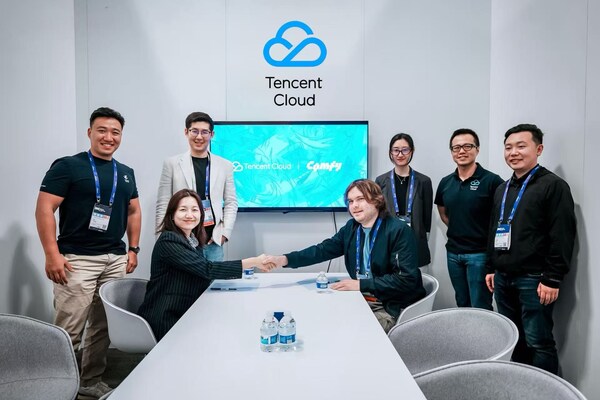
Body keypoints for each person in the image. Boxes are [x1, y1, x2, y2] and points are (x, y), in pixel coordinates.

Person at [35, 107, 141, 399]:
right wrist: (52, 254)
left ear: (121, 136)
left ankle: (89, 382)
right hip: (76, 260)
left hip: (115, 259)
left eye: (115, 132)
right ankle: (54, 387)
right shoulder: (68, 166)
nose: (109, 137)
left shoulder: (126, 173)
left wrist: (133, 249)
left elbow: (134, 211)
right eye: (102, 130)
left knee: (103, 327)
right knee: (69, 328)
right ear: (90, 132)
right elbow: (45, 208)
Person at [265, 179, 425, 333]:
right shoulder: (352, 228)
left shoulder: (398, 230)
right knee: (318, 317)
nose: (354, 206)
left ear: (377, 200)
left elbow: (406, 280)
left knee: (347, 333)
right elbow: (322, 250)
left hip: (389, 306)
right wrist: (284, 259)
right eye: (350, 201)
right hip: (362, 297)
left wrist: (361, 285)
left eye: (360, 199)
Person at [485, 124, 576, 374]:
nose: (513, 152)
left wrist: (552, 278)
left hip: (534, 280)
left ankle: (545, 390)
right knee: (513, 338)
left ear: (539, 149)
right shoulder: (503, 189)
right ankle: (520, 384)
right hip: (503, 278)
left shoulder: (553, 186)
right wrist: (491, 267)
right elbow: (494, 230)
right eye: (508, 147)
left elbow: (562, 235)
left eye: (521, 146)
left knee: (539, 341)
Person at [139, 189, 271, 341]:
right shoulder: (169, 240)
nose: (189, 215)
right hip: (167, 317)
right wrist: (253, 262)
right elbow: (207, 269)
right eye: (183, 210)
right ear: (171, 215)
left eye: (195, 210)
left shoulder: (192, 240)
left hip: (186, 312)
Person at [435, 128, 504, 309]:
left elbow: (501, 217)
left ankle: (484, 331)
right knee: (462, 303)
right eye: (456, 148)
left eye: (467, 146)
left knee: (480, 306)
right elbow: (443, 212)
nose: (461, 151)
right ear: (451, 152)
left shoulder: (492, 181)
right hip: (453, 254)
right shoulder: (446, 182)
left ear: (477, 149)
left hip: (480, 255)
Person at [156, 111, 237, 261]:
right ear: (186, 132)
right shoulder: (172, 164)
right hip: (181, 240)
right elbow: (163, 203)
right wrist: (162, 238)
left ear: (212, 134)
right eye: (194, 131)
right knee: (182, 277)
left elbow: (231, 202)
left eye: (204, 132)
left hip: (213, 242)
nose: (199, 137)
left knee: (214, 277)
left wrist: (225, 233)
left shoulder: (225, 165)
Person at [375, 133, 433, 268]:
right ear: (390, 152)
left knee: (415, 277)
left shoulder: (424, 181)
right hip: (389, 240)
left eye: (405, 150)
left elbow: (427, 216)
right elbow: (378, 213)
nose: (400, 154)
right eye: (396, 150)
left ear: (411, 151)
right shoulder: (380, 181)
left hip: (415, 241)